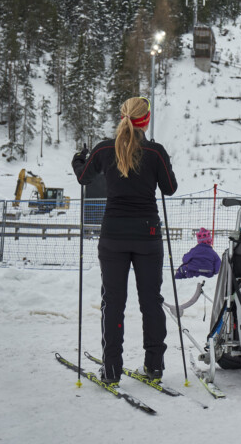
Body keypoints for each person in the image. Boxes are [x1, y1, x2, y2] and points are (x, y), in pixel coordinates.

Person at [72, 97, 178, 386]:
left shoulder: (105, 149)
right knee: (151, 301)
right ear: (146, 120)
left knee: (113, 302)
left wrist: (78, 158)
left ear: (123, 117)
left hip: (113, 235)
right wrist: (161, 163)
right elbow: (170, 188)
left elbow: (83, 177)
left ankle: (111, 370)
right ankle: (154, 366)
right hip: (148, 235)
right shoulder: (155, 152)